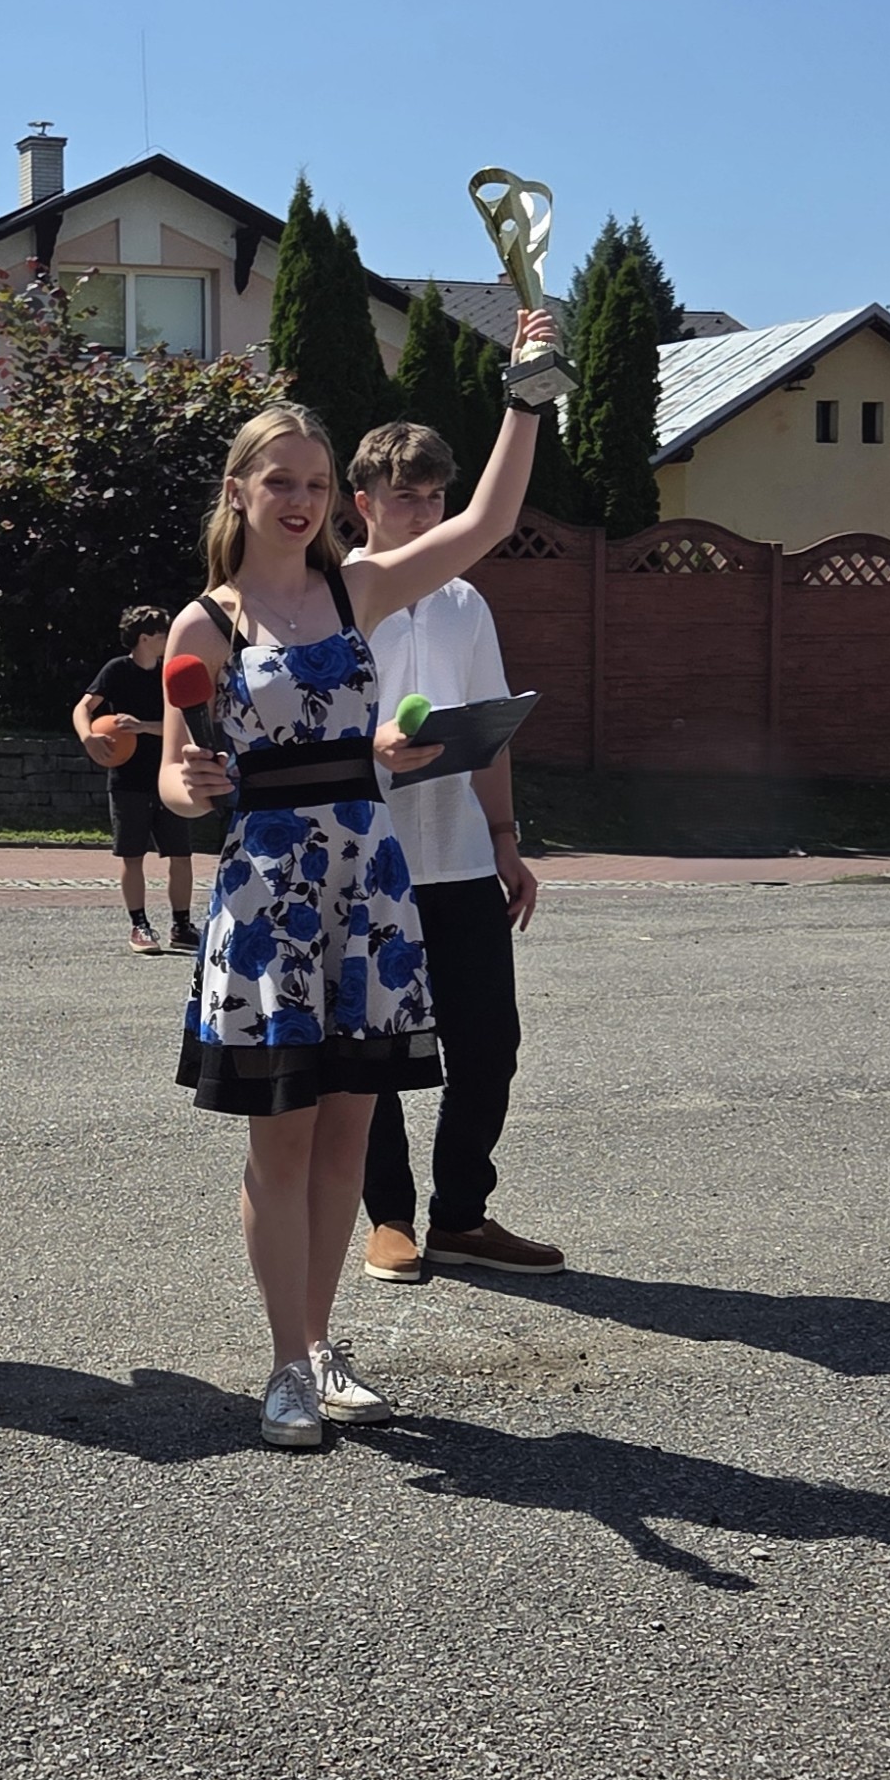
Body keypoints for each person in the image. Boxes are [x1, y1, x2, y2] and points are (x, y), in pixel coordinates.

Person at [160, 314, 551, 1450]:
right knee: (280, 1143)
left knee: (346, 1138)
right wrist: (190, 780)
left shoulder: (359, 589)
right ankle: (285, 1365)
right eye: (280, 480)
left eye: (318, 483)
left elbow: (488, 521)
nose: (301, 500)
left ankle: (324, 1344)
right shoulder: (207, 623)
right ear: (238, 490)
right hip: (268, 890)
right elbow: (182, 781)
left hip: (368, 882)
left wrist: (525, 397)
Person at [346, 420, 564, 1285]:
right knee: (376, 1047)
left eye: (438, 497)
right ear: (363, 503)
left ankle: (462, 1216)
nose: (426, 512)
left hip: (464, 857)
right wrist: (373, 751)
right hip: (371, 860)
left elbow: (490, 731)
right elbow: (309, 729)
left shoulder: (466, 603)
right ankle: (389, 1218)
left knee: (489, 1043)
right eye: (407, 497)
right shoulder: (337, 596)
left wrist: (506, 839)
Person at [73, 605, 198, 955]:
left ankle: (182, 926)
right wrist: (88, 737)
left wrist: (143, 726)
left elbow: (182, 724)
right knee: (132, 856)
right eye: (163, 633)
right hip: (127, 779)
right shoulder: (117, 670)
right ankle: (139, 925)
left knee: (181, 854)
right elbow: (83, 708)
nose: (169, 638)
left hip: (167, 776)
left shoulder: (170, 672)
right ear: (145, 638)